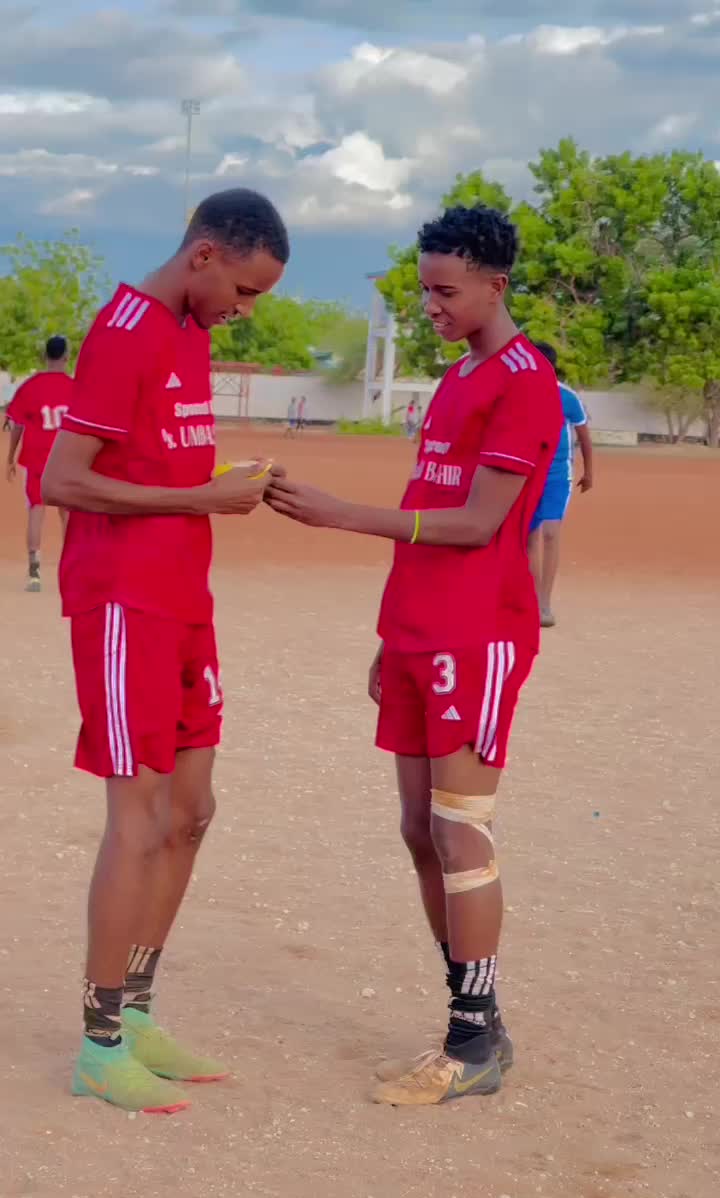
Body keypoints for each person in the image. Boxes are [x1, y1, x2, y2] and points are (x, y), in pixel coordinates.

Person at [267, 203, 562, 1107]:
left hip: (476, 635)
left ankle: (470, 1041)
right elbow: (431, 506)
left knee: (460, 831)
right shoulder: (458, 376)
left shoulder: (526, 380)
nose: (431, 305)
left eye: (446, 290)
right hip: (419, 633)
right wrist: (389, 633)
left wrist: (340, 514)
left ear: (495, 286)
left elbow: (476, 524)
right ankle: (481, 1025)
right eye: (425, 289)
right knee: (417, 830)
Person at [41, 187, 289, 1114]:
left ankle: (138, 1012)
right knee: (138, 820)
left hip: (185, 598)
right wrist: (198, 499)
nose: (245, 308)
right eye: (244, 289)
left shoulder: (191, 329)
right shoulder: (126, 332)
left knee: (191, 812)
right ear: (203, 256)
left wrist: (217, 483)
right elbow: (64, 479)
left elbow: (153, 460)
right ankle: (99, 1044)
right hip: (123, 603)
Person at [527, 342, 592, 628]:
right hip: (527, 475)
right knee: (529, 536)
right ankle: (531, 601)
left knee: (551, 533)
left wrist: (589, 472)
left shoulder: (567, 396)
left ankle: (545, 603)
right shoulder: (519, 393)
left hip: (556, 476)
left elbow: (584, 436)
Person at [5, 336, 74, 591]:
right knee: (68, 514)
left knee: (36, 510)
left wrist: (11, 456)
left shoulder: (30, 387)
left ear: (45, 357)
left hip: (37, 459)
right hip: (66, 461)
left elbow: (17, 425)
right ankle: (71, 570)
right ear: (66, 357)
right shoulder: (75, 387)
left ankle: (34, 573)